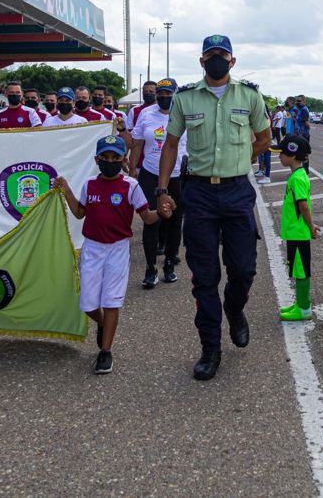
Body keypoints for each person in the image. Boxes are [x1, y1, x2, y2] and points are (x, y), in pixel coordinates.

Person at [156, 35, 271, 381]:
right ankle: (210, 348)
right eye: (211, 56)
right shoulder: (185, 97)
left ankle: (235, 310)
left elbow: (264, 138)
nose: (217, 60)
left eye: (223, 55)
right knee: (204, 278)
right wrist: (162, 189)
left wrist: (242, 158)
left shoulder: (249, 95)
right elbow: (171, 145)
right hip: (200, 193)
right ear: (202, 61)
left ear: (232, 62)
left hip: (237, 191)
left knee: (243, 270)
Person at [56, 135, 159, 376]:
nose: (110, 161)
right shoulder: (90, 184)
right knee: (88, 304)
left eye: (115, 157)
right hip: (92, 247)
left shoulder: (131, 186)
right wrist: (66, 189)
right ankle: (104, 324)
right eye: (105, 157)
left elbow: (147, 217)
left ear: (123, 159)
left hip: (117, 248)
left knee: (111, 300)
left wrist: (164, 212)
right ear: (97, 159)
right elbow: (80, 213)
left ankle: (105, 351)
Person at [129, 78, 186, 288]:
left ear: (175, 94)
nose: (164, 97)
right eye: (160, 93)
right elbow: (137, 143)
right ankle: (150, 268)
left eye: (168, 93)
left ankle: (169, 264)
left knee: (174, 222)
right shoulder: (146, 113)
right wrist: (133, 168)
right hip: (150, 173)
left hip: (177, 175)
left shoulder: (183, 113)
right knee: (151, 221)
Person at [277, 133, 320, 321]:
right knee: (297, 269)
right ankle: (300, 303)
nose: (279, 156)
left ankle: (304, 308)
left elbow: (303, 205)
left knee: (302, 271)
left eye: (281, 153)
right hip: (294, 232)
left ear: (292, 155)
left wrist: (311, 226)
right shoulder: (297, 175)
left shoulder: (298, 178)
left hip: (299, 233)